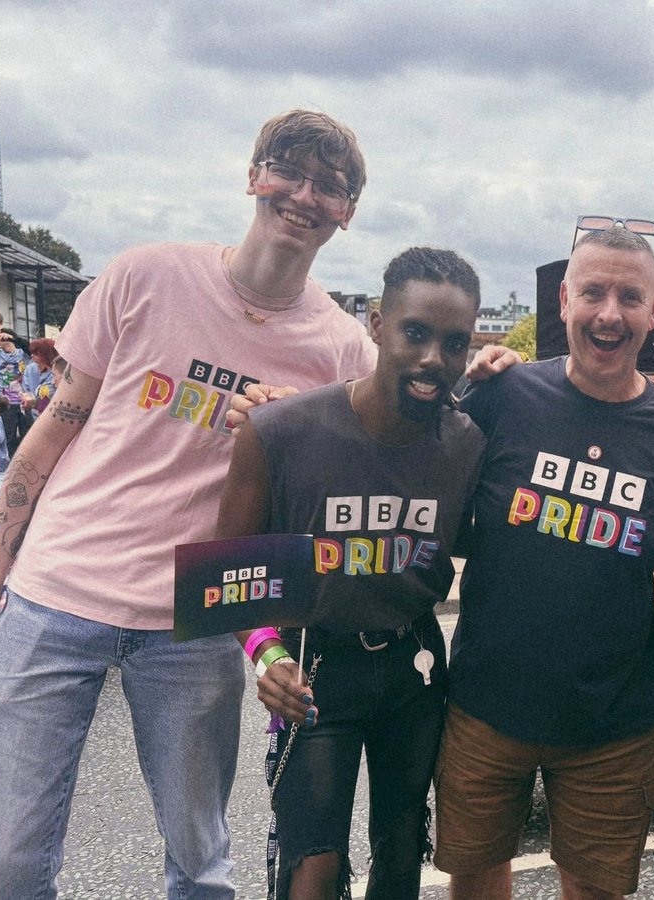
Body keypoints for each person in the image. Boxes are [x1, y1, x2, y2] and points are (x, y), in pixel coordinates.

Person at [0, 109, 376, 900]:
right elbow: (52, 432)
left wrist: (286, 439)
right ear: (253, 176)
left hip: (197, 618)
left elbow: (341, 496)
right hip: (56, 591)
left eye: (328, 186)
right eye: (287, 171)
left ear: (347, 212)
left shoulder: (340, 349)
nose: (304, 195)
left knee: (200, 867)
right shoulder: (144, 277)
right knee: (7, 872)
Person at [434, 225, 654, 900]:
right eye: (593, 292)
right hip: (484, 704)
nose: (609, 313)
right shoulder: (502, 395)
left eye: (630, 297)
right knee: (474, 881)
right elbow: (418, 466)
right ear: (564, 300)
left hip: (612, 723)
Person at [217, 247, 483, 900]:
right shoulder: (280, 431)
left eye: (455, 343)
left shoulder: (466, 443)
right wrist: (267, 654)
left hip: (415, 665)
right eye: (415, 333)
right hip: (314, 667)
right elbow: (224, 574)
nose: (433, 358)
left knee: (401, 849)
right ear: (377, 324)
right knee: (313, 864)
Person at [21, 337, 58, 416]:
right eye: (32, 353)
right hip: (32, 412)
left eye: (36, 353)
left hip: (51, 413)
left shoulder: (57, 371)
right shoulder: (29, 369)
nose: (32, 355)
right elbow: (26, 390)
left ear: (46, 354)